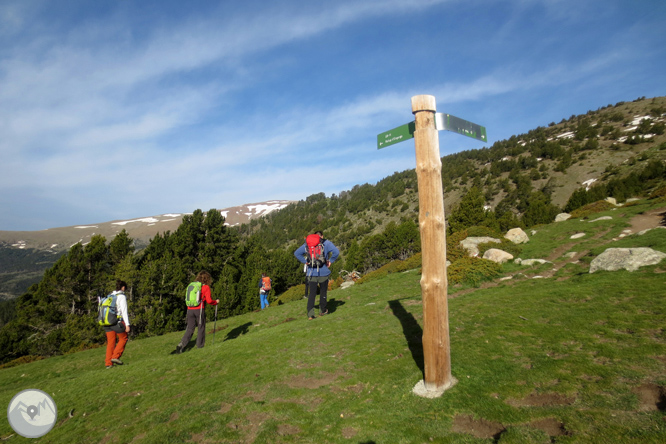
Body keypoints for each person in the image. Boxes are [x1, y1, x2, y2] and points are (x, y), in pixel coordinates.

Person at [294, 231, 339, 320]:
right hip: (323, 272)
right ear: (321, 236)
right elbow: (336, 252)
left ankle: (310, 314)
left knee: (312, 294)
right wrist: (330, 261)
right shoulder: (326, 243)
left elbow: (297, 253)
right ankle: (322, 311)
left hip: (311, 273)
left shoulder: (307, 244)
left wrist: (305, 262)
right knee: (323, 292)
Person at [175, 271, 219, 353]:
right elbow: (209, 301)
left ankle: (181, 344)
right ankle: (200, 346)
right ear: (207, 279)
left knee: (190, 328)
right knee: (201, 327)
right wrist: (215, 302)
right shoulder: (205, 287)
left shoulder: (192, 285)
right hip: (199, 309)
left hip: (189, 309)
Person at [104, 280, 131, 369]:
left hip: (107, 322)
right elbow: (124, 311)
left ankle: (108, 363)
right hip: (116, 321)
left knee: (111, 342)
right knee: (123, 338)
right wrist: (127, 324)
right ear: (123, 287)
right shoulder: (121, 296)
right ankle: (115, 357)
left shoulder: (111, 295)